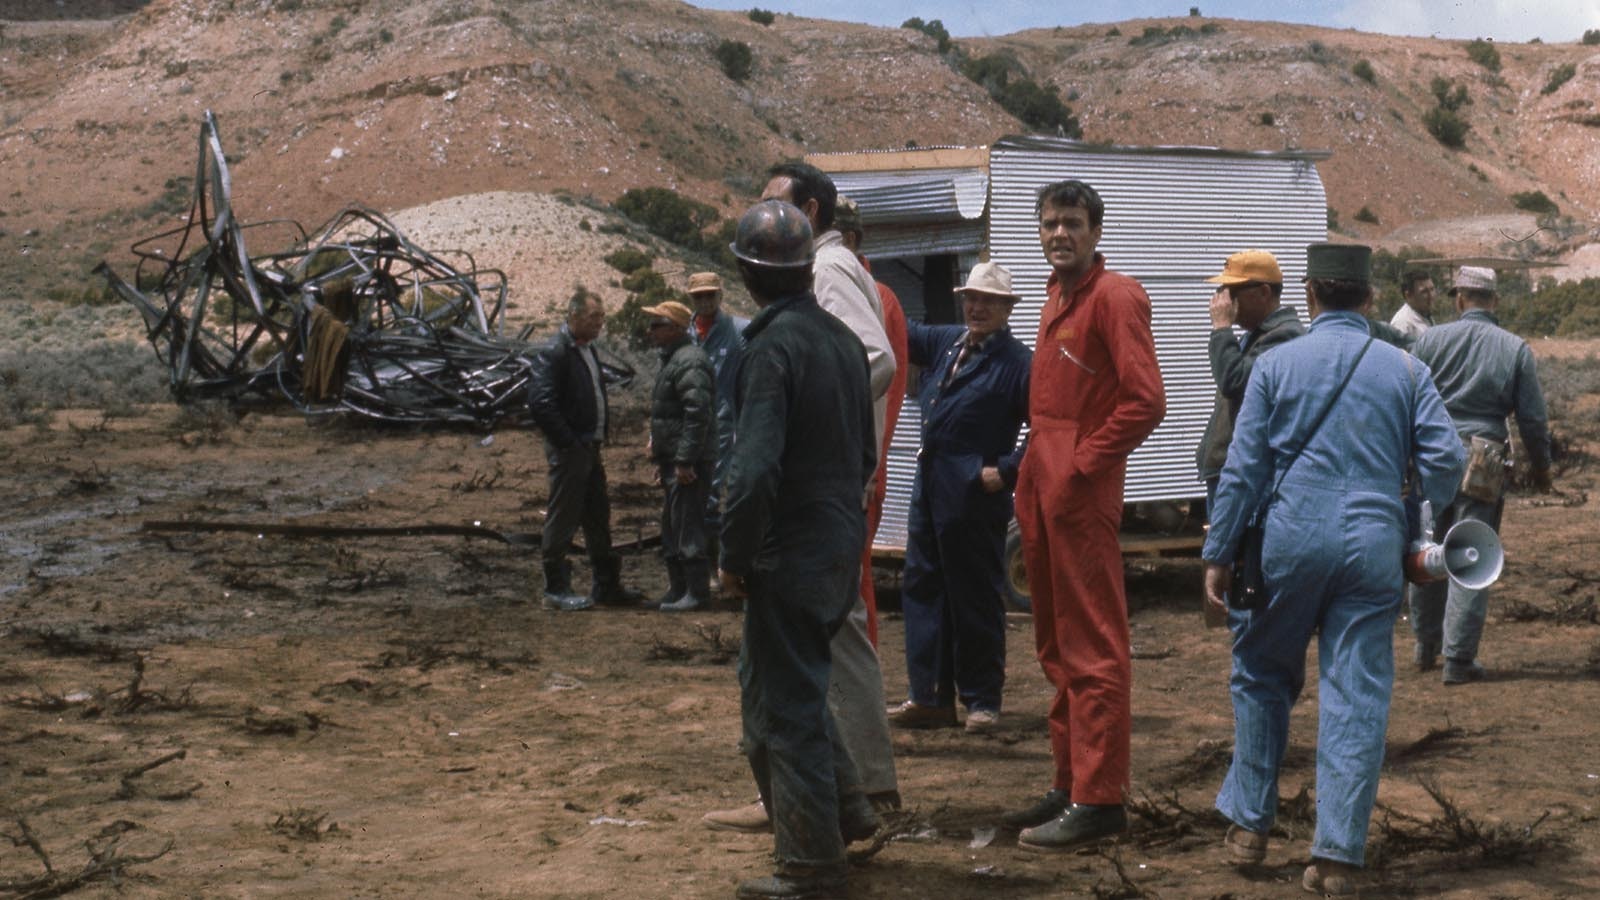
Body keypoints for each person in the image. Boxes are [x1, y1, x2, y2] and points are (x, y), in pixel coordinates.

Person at [1201, 242, 1464, 895]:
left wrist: (1218, 553)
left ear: (1311, 294)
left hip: (1288, 542)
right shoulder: (1405, 369)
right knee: (1357, 691)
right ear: (1370, 298)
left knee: (1261, 672)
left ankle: (1249, 825)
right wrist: (1413, 490)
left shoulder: (1275, 365)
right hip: (1374, 548)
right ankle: (1339, 856)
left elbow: (1243, 471)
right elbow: (1448, 465)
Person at [702, 164, 901, 835]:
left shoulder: (771, 349)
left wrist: (733, 558)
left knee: (783, 708)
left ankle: (811, 860)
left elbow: (753, 472)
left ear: (748, 274)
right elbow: (862, 452)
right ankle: (852, 817)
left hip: (786, 555)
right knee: (795, 691)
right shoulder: (840, 343)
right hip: (835, 538)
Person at [1006, 180, 1166, 851]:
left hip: (1078, 487)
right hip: (1043, 482)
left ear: (1096, 231)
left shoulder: (1114, 296)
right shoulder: (1054, 295)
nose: (1059, 235)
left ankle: (1100, 799)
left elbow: (1146, 400)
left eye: (1071, 223)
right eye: (1049, 224)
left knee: (1095, 642)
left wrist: (1082, 461)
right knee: (1055, 641)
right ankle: (1070, 779)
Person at [888, 261, 1030, 735]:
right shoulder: (948, 341)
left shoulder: (1018, 363)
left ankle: (981, 700)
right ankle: (928, 696)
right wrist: (859, 276)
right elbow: (898, 330)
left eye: (989, 300)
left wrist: (1005, 471)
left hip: (973, 488)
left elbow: (1047, 427)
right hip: (930, 480)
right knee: (923, 584)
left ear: (1007, 308)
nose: (977, 307)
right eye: (971, 298)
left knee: (973, 593)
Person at [1409, 265, 1553, 683]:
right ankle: (1458, 659)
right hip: (1485, 461)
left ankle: (1425, 646)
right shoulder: (1514, 348)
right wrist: (1541, 468)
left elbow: (1405, 398)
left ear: (1458, 299)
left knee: (1427, 546)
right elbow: (1532, 419)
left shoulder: (1429, 341)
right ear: (1495, 300)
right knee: (1471, 553)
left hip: (1431, 457)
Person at [527, 289, 634, 611]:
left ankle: (606, 586)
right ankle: (556, 590)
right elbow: (541, 403)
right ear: (573, 317)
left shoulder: (586, 349)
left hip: (590, 446)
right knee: (564, 516)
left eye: (602, 317)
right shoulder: (555, 351)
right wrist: (569, 443)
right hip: (573, 449)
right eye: (593, 317)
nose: (600, 323)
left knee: (597, 515)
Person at [836, 195, 911, 648]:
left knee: (852, 581)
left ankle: (859, 688)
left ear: (846, 238)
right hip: (862, 463)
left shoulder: (872, 298)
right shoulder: (875, 295)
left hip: (858, 466)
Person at [1196, 249, 1305, 515]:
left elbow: (1234, 381)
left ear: (1264, 293)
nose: (1223, 299)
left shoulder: (1284, 336)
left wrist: (1222, 329)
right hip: (1232, 472)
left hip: (1246, 476)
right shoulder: (1257, 334)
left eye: (1232, 291)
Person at [642, 299, 717, 612]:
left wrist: (685, 460)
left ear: (674, 328)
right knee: (673, 526)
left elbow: (697, 414)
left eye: (657, 325)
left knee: (688, 526)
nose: (651, 331)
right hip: (674, 459)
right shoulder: (675, 359)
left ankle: (696, 593)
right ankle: (678, 589)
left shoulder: (689, 361)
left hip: (689, 463)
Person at [686, 272, 748, 547]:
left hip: (723, 425)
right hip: (687, 425)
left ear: (720, 295)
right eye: (699, 296)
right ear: (691, 298)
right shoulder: (684, 334)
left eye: (710, 295)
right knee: (684, 486)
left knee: (713, 488)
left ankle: (711, 558)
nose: (705, 301)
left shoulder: (738, 331)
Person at [1389, 269, 1437, 342]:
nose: (1431, 296)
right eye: (1424, 292)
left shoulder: (1426, 316)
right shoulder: (1402, 324)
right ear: (1408, 295)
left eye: (1432, 289)